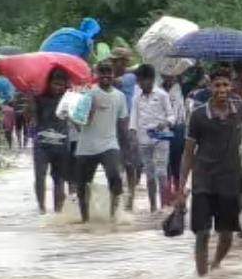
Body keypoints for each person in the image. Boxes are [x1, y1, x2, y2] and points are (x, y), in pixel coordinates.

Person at [177, 67, 242, 276]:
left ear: (232, 86)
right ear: (210, 86)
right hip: (203, 180)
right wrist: (181, 187)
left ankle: (216, 264)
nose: (222, 89)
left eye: (226, 85)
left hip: (230, 180)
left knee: (227, 234)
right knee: (202, 232)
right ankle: (202, 277)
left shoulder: (240, 109)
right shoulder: (199, 115)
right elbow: (188, 153)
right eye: (217, 85)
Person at [73, 62, 129, 223]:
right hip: (86, 147)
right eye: (102, 73)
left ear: (113, 74)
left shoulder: (120, 96)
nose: (105, 76)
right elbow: (77, 121)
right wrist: (87, 115)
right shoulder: (88, 94)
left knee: (115, 178)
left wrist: (126, 150)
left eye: (108, 72)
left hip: (109, 144)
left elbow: (123, 124)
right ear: (96, 75)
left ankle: (113, 216)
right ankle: (85, 220)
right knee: (83, 185)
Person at [129, 64, 175, 212]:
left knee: (161, 172)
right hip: (144, 139)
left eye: (143, 80)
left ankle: (164, 206)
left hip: (161, 137)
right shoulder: (137, 98)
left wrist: (166, 123)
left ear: (151, 79)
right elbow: (133, 119)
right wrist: (132, 135)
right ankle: (153, 206)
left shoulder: (162, 95)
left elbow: (172, 115)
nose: (141, 84)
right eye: (139, 81)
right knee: (149, 173)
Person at [25, 68, 72, 213]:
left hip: (62, 145)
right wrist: (30, 98)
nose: (57, 88)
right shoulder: (39, 98)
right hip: (42, 145)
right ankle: (41, 208)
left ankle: (58, 211)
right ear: (49, 83)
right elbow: (29, 117)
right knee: (40, 177)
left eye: (61, 85)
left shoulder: (70, 99)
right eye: (55, 84)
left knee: (59, 180)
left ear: (66, 86)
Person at [109, 48, 140, 211]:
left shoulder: (129, 77)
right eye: (113, 61)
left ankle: (130, 197)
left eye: (117, 61)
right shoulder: (125, 75)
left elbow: (114, 82)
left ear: (124, 62)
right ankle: (117, 198)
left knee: (128, 162)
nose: (114, 64)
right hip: (113, 122)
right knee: (115, 163)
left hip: (127, 123)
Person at [161, 72, 187, 199]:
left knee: (176, 160)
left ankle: (178, 189)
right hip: (163, 127)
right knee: (164, 160)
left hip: (178, 128)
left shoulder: (180, 87)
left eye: (172, 75)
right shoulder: (158, 89)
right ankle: (167, 191)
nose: (169, 77)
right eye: (167, 74)